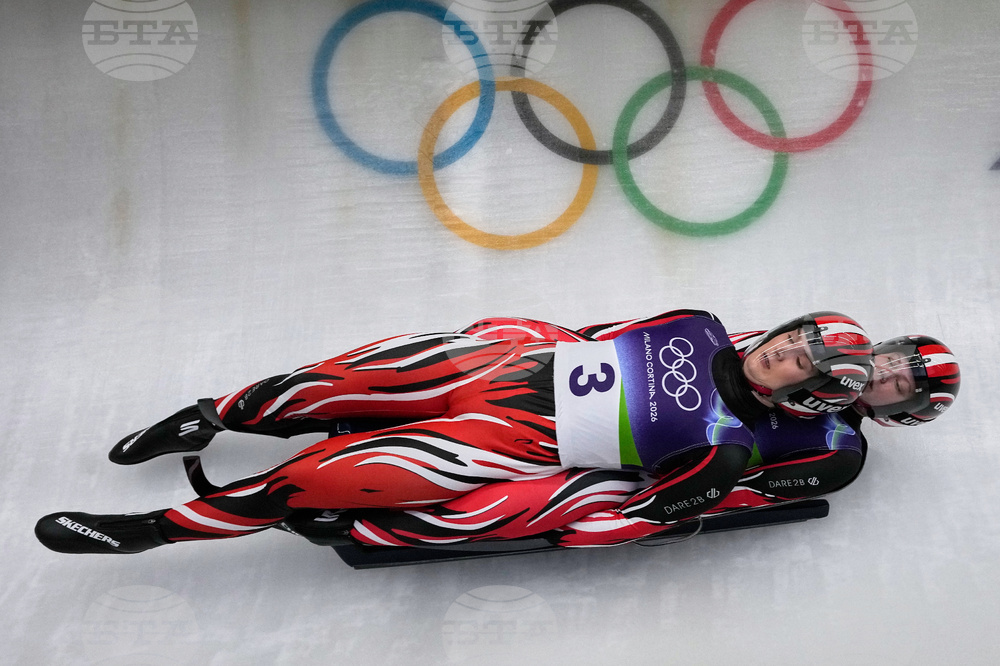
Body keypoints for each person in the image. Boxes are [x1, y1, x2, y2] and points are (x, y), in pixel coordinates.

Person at [34, 309, 873, 555]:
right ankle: (214, 415)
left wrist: (459, 524)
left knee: (320, 479)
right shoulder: (697, 324)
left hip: (511, 445)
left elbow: (641, 511)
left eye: (801, 367)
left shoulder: (724, 447)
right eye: (791, 341)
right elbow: (593, 331)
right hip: (498, 372)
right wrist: (510, 334)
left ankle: (149, 532)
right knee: (341, 379)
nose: (782, 358)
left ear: (808, 396)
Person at [319, 331, 959, 548]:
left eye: (900, 384)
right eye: (895, 359)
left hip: (668, 467)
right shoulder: (811, 344)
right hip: (634, 405)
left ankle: (375, 523)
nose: (887, 373)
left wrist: (640, 517)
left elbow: (745, 493)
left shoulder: (841, 455)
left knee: (550, 500)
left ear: (903, 409)